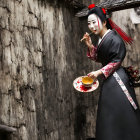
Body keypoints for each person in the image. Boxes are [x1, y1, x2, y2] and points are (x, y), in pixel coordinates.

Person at [82, 4, 140, 140]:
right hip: (110, 80)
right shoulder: (102, 38)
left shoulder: (114, 38)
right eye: (89, 23)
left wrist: (98, 73)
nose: (91, 26)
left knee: (119, 113)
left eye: (93, 22)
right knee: (109, 114)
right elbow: (100, 58)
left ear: (103, 21)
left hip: (117, 81)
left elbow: (116, 62)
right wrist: (90, 46)